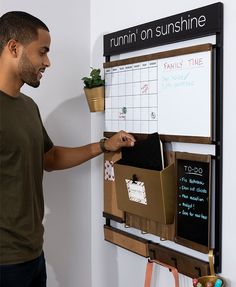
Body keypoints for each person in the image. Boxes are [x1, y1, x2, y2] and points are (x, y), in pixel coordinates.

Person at [0, 11, 135, 287]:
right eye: (43, 52)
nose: (47, 62)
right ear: (14, 48)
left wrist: (103, 145)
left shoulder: (28, 107)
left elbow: (49, 158)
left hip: (33, 254)